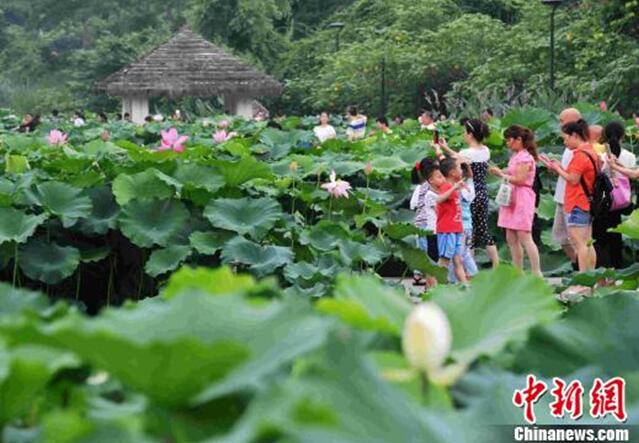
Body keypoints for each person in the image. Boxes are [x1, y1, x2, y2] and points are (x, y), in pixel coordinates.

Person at [438, 118, 500, 268]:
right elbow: (462, 157)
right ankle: (497, 265)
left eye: (465, 132)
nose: (464, 134)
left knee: (468, 231)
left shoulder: (466, 153)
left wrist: (442, 150)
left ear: (470, 134)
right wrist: (446, 148)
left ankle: (468, 268)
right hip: (483, 193)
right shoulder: (485, 150)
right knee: (484, 229)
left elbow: (456, 161)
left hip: (468, 194)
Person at [541, 119, 599, 272]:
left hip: (577, 203)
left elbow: (573, 179)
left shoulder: (579, 155)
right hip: (587, 202)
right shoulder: (592, 151)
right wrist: (560, 167)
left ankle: (583, 280)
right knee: (588, 243)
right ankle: (590, 276)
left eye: (566, 138)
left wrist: (557, 168)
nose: (565, 142)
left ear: (574, 135)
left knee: (579, 243)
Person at [489, 125, 542, 276]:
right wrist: (500, 171)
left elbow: (520, 179)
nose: (507, 143)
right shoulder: (516, 156)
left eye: (509, 140)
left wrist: (500, 174)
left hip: (522, 197)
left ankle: (536, 272)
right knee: (510, 236)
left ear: (519, 140)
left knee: (525, 236)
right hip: (511, 197)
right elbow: (513, 172)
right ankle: (518, 272)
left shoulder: (525, 157)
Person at [596, 121, 636, 268]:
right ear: (622, 136)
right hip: (621, 200)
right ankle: (617, 269)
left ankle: (603, 273)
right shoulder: (630, 156)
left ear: (604, 135)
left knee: (600, 237)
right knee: (616, 234)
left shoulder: (600, 155)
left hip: (604, 200)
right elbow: (632, 175)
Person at [550, 108, 582, 270]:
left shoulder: (581, 147)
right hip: (561, 197)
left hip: (573, 200)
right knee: (561, 238)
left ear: (574, 120)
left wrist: (558, 169)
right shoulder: (568, 143)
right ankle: (580, 269)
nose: (560, 123)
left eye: (562, 120)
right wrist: (556, 167)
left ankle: (585, 273)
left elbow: (573, 178)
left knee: (577, 240)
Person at [428, 163, 467, 284]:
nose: (442, 178)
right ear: (431, 181)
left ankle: (466, 287)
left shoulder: (451, 187)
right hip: (447, 229)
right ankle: (433, 288)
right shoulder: (446, 187)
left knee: (457, 261)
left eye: (442, 176)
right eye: (439, 177)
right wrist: (454, 188)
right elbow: (439, 199)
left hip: (456, 229)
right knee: (444, 260)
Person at [441, 159, 478, 282]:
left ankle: (458, 281)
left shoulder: (460, 188)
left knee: (459, 257)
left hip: (460, 227)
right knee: (462, 256)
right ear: (452, 173)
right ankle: (470, 279)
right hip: (463, 226)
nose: (461, 170)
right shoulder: (462, 186)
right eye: (459, 168)